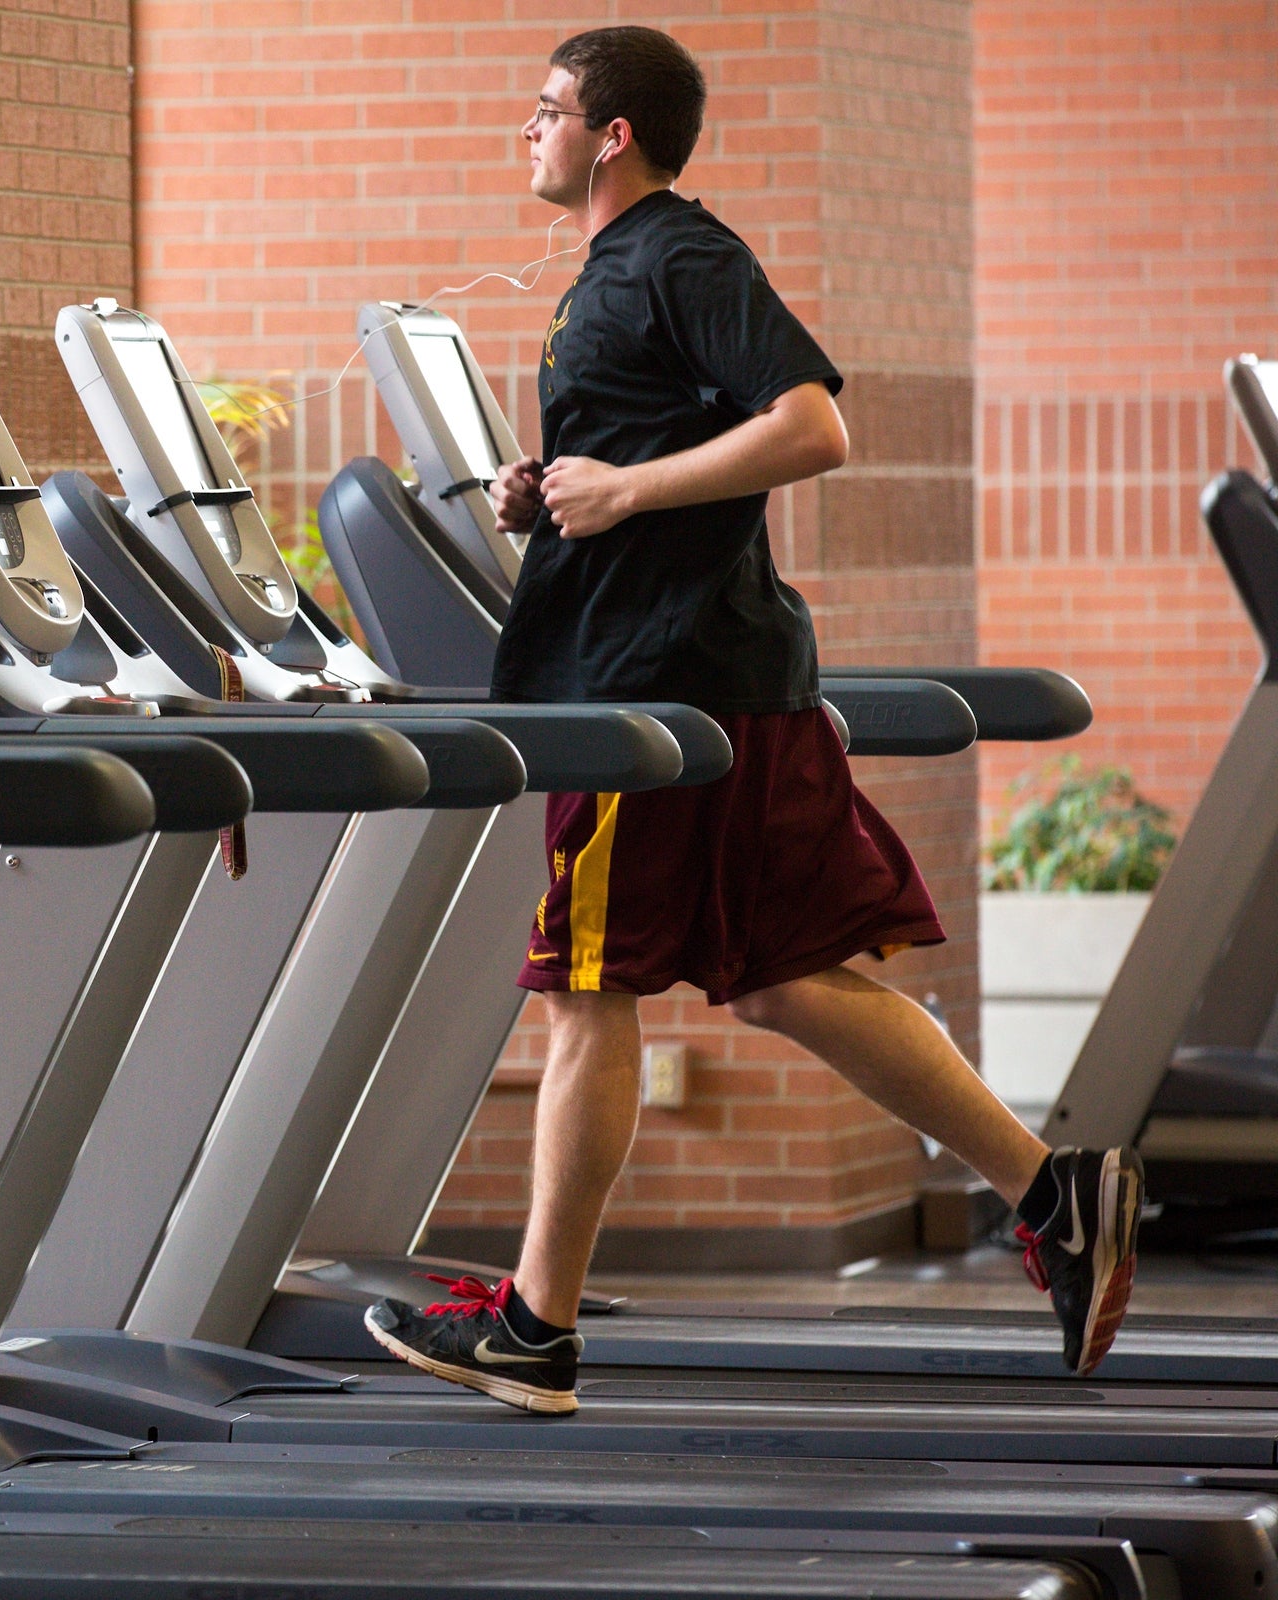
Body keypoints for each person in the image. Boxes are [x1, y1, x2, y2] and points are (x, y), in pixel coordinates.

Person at [363, 24, 1141, 1413]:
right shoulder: (616, 274)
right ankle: (1054, 1191)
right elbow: (662, 448)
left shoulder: (677, 252)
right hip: (715, 676)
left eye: (547, 112)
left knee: (588, 993)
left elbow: (811, 427)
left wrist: (629, 496)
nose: (524, 131)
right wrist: (557, 488)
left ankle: (536, 1328)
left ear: (614, 136)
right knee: (785, 977)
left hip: (650, 695)